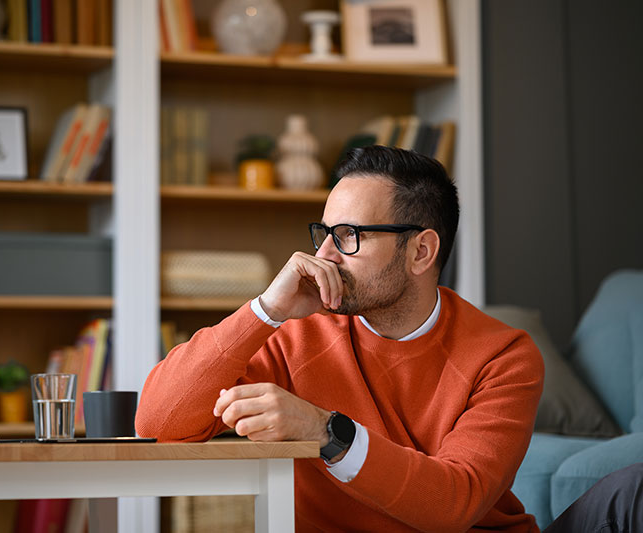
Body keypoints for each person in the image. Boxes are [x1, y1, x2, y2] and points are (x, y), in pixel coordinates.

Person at [136, 145, 546, 532]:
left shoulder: (504, 356)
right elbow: (158, 422)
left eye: (350, 234)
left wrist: (324, 431)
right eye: (325, 233)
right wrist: (265, 311)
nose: (326, 255)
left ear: (421, 251)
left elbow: (454, 503)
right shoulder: (296, 333)